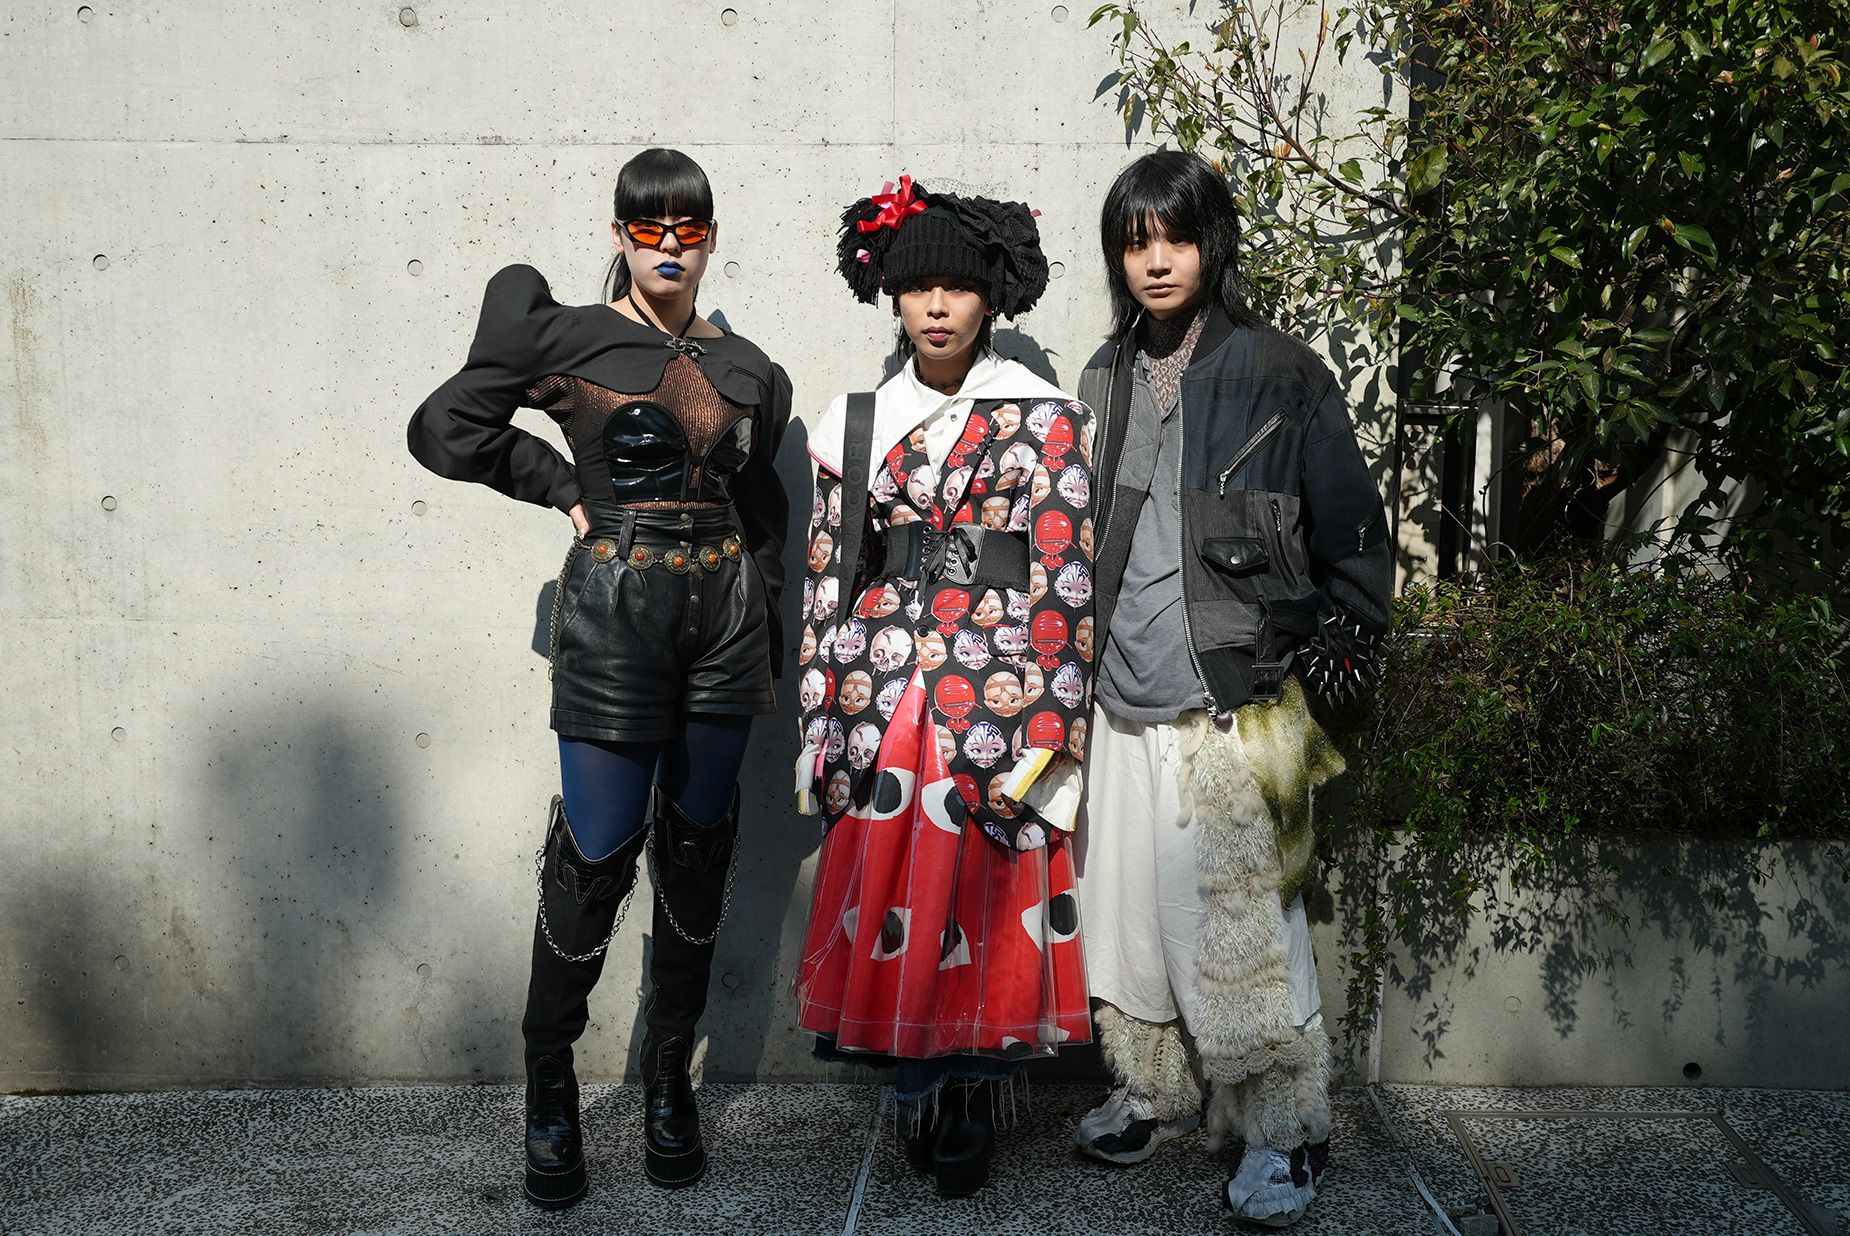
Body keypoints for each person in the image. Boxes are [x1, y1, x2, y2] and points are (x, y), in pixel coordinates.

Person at [405, 148, 791, 1209]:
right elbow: (445, 429)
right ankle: (549, 1086)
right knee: (596, 854)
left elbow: (766, 514)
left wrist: (777, 634)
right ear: (619, 231)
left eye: (690, 225)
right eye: (648, 224)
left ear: (713, 234)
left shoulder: (754, 366)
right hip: (614, 616)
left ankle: (670, 1079)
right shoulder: (565, 334)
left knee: (699, 851)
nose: (669, 244)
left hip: (724, 622)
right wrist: (559, 487)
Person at [1068, 150, 1390, 1228]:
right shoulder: (1102, 373)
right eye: (1134, 240)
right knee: (1128, 920)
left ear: (1212, 243)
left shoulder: (1280, 370)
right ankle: (1152, 1092)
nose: (1155, 260)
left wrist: (1339, 644)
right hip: (1118, 694)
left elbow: (1349, 525)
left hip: (1231, 697)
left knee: (1245, 932)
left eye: (1175, 237)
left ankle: (1287, 1131)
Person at [791, 177, 1096, 1198]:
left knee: (981, 886)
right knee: (899, 896)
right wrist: (817, 712)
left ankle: (969, 1094)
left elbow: (1061, 570)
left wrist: (1051, 723)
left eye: (955, 288)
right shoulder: (854, 420)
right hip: (883, 689)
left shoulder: (1046, 416)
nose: (933, 306)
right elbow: (829, 573)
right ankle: (915, 1088)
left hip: (999, 682)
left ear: (991, 298)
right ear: (886, 293)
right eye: (914, 285)